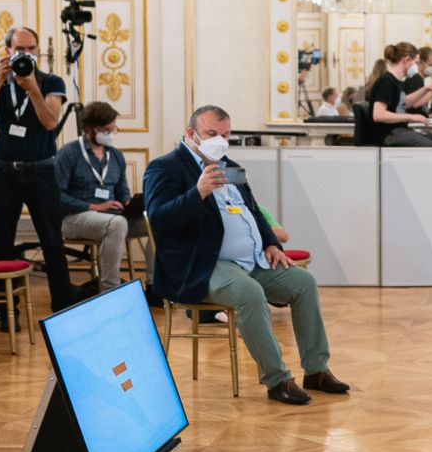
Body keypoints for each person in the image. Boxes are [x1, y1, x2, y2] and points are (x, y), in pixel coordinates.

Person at [143, 105, 353, 405]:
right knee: (250, 293)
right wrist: (198, 192)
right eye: (211, 134)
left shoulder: (229, 165)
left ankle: (316, 370)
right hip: (202, 264)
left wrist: (270, 243)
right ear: (191, 134)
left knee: (303, 282)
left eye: (226, 134)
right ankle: (277, 379)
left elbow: (252, 209)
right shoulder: (165, 167)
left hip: (250, 260)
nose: (220, 140)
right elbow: (160, 219)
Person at [0, 25, 78, 310]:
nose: (27, 54)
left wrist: (33, 89)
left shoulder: (52, 81)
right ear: (8, 52)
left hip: (41, 172)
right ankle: (4, 310)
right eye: (21, 49)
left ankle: (63, 307)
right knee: (3, 244)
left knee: (52, 242)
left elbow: (50, 121)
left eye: (32, 49)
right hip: (4, 171)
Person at [53, 102, 133, 292]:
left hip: (114, 215)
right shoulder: (69, 153)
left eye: (113, 129)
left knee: (153, 219)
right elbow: (56, 196)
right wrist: (95, 207)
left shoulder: (115, 155)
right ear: (89, 128)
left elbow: (123, 191)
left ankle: (154, 285)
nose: (111, 134)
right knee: (118, 224)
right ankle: (111, 290)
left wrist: (131, 204)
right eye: (106, 130)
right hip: (75, 218)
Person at [365, 43, 432, 147]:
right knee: (431, 145)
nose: (417, 68)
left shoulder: (398, 81)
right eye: (416, 63)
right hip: (387, 134)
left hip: (398, 130)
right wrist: (410, 117)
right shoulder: (387, 81)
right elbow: (378, 115)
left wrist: (425, 89)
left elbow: (404, 103)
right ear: (407, 60)